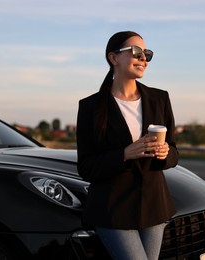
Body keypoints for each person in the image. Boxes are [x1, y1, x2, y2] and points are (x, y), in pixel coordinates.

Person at [76, 31, 179, 260]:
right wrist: (124, 154)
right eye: (136, 52)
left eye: (147, 54)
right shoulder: (90, 107)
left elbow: (174, 153)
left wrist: (165, 153)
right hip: (112, 210)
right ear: (114, 58)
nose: (143, 58)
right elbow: (86, 167)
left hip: (153, 206)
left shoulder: (160, 99)